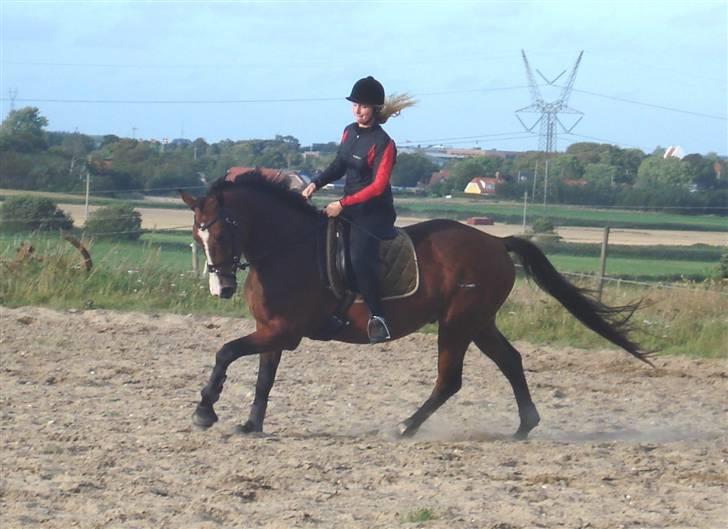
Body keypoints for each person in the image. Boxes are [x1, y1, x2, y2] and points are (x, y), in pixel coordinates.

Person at [302, 76, 415, 344]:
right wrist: (314, 184)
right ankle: (334, 309)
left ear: (374, 109)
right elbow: (339, 165)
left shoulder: (384, 143)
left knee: (358, 258)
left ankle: (379, 318)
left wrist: (341, 204)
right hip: (348, 206)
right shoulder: (349, 132)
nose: (357, 110)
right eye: (355, 105)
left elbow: (377, 186)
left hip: (374, 212)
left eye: (363, 106)